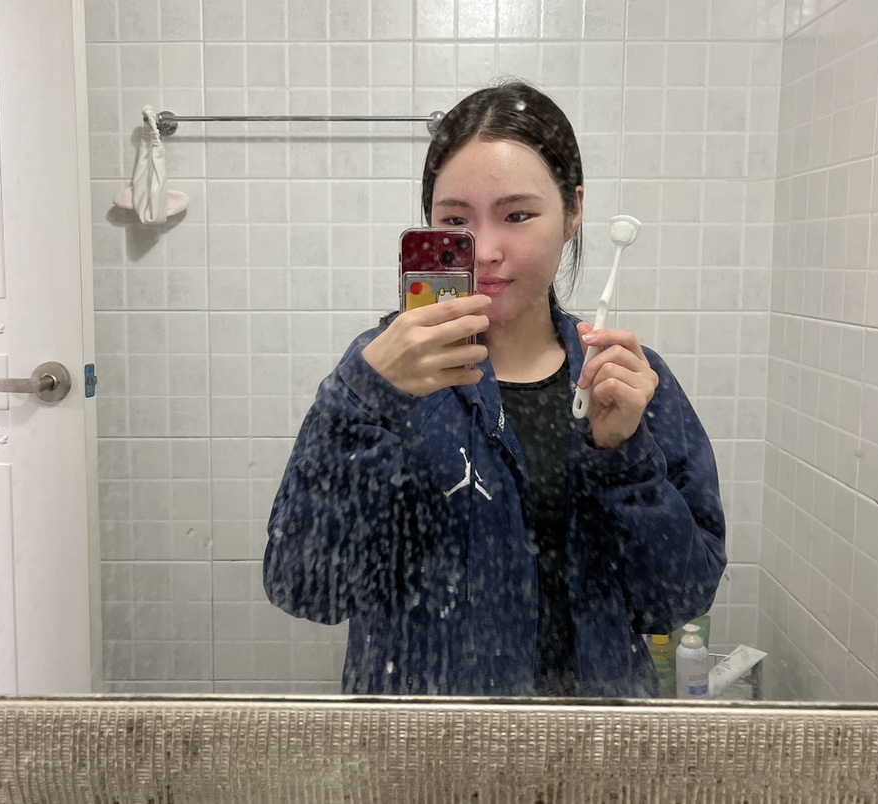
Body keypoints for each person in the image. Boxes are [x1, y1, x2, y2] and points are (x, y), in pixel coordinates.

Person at [263, 80, 726, 697]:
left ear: (573, 212)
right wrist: (361, 403)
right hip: (427, 743)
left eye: (517, 215)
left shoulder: (624, 382)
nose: (485, 251)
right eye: (456, 221)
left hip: (593, 740)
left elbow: (677, 601)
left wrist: (623, 459)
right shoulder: (378, 378)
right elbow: (306, 588)